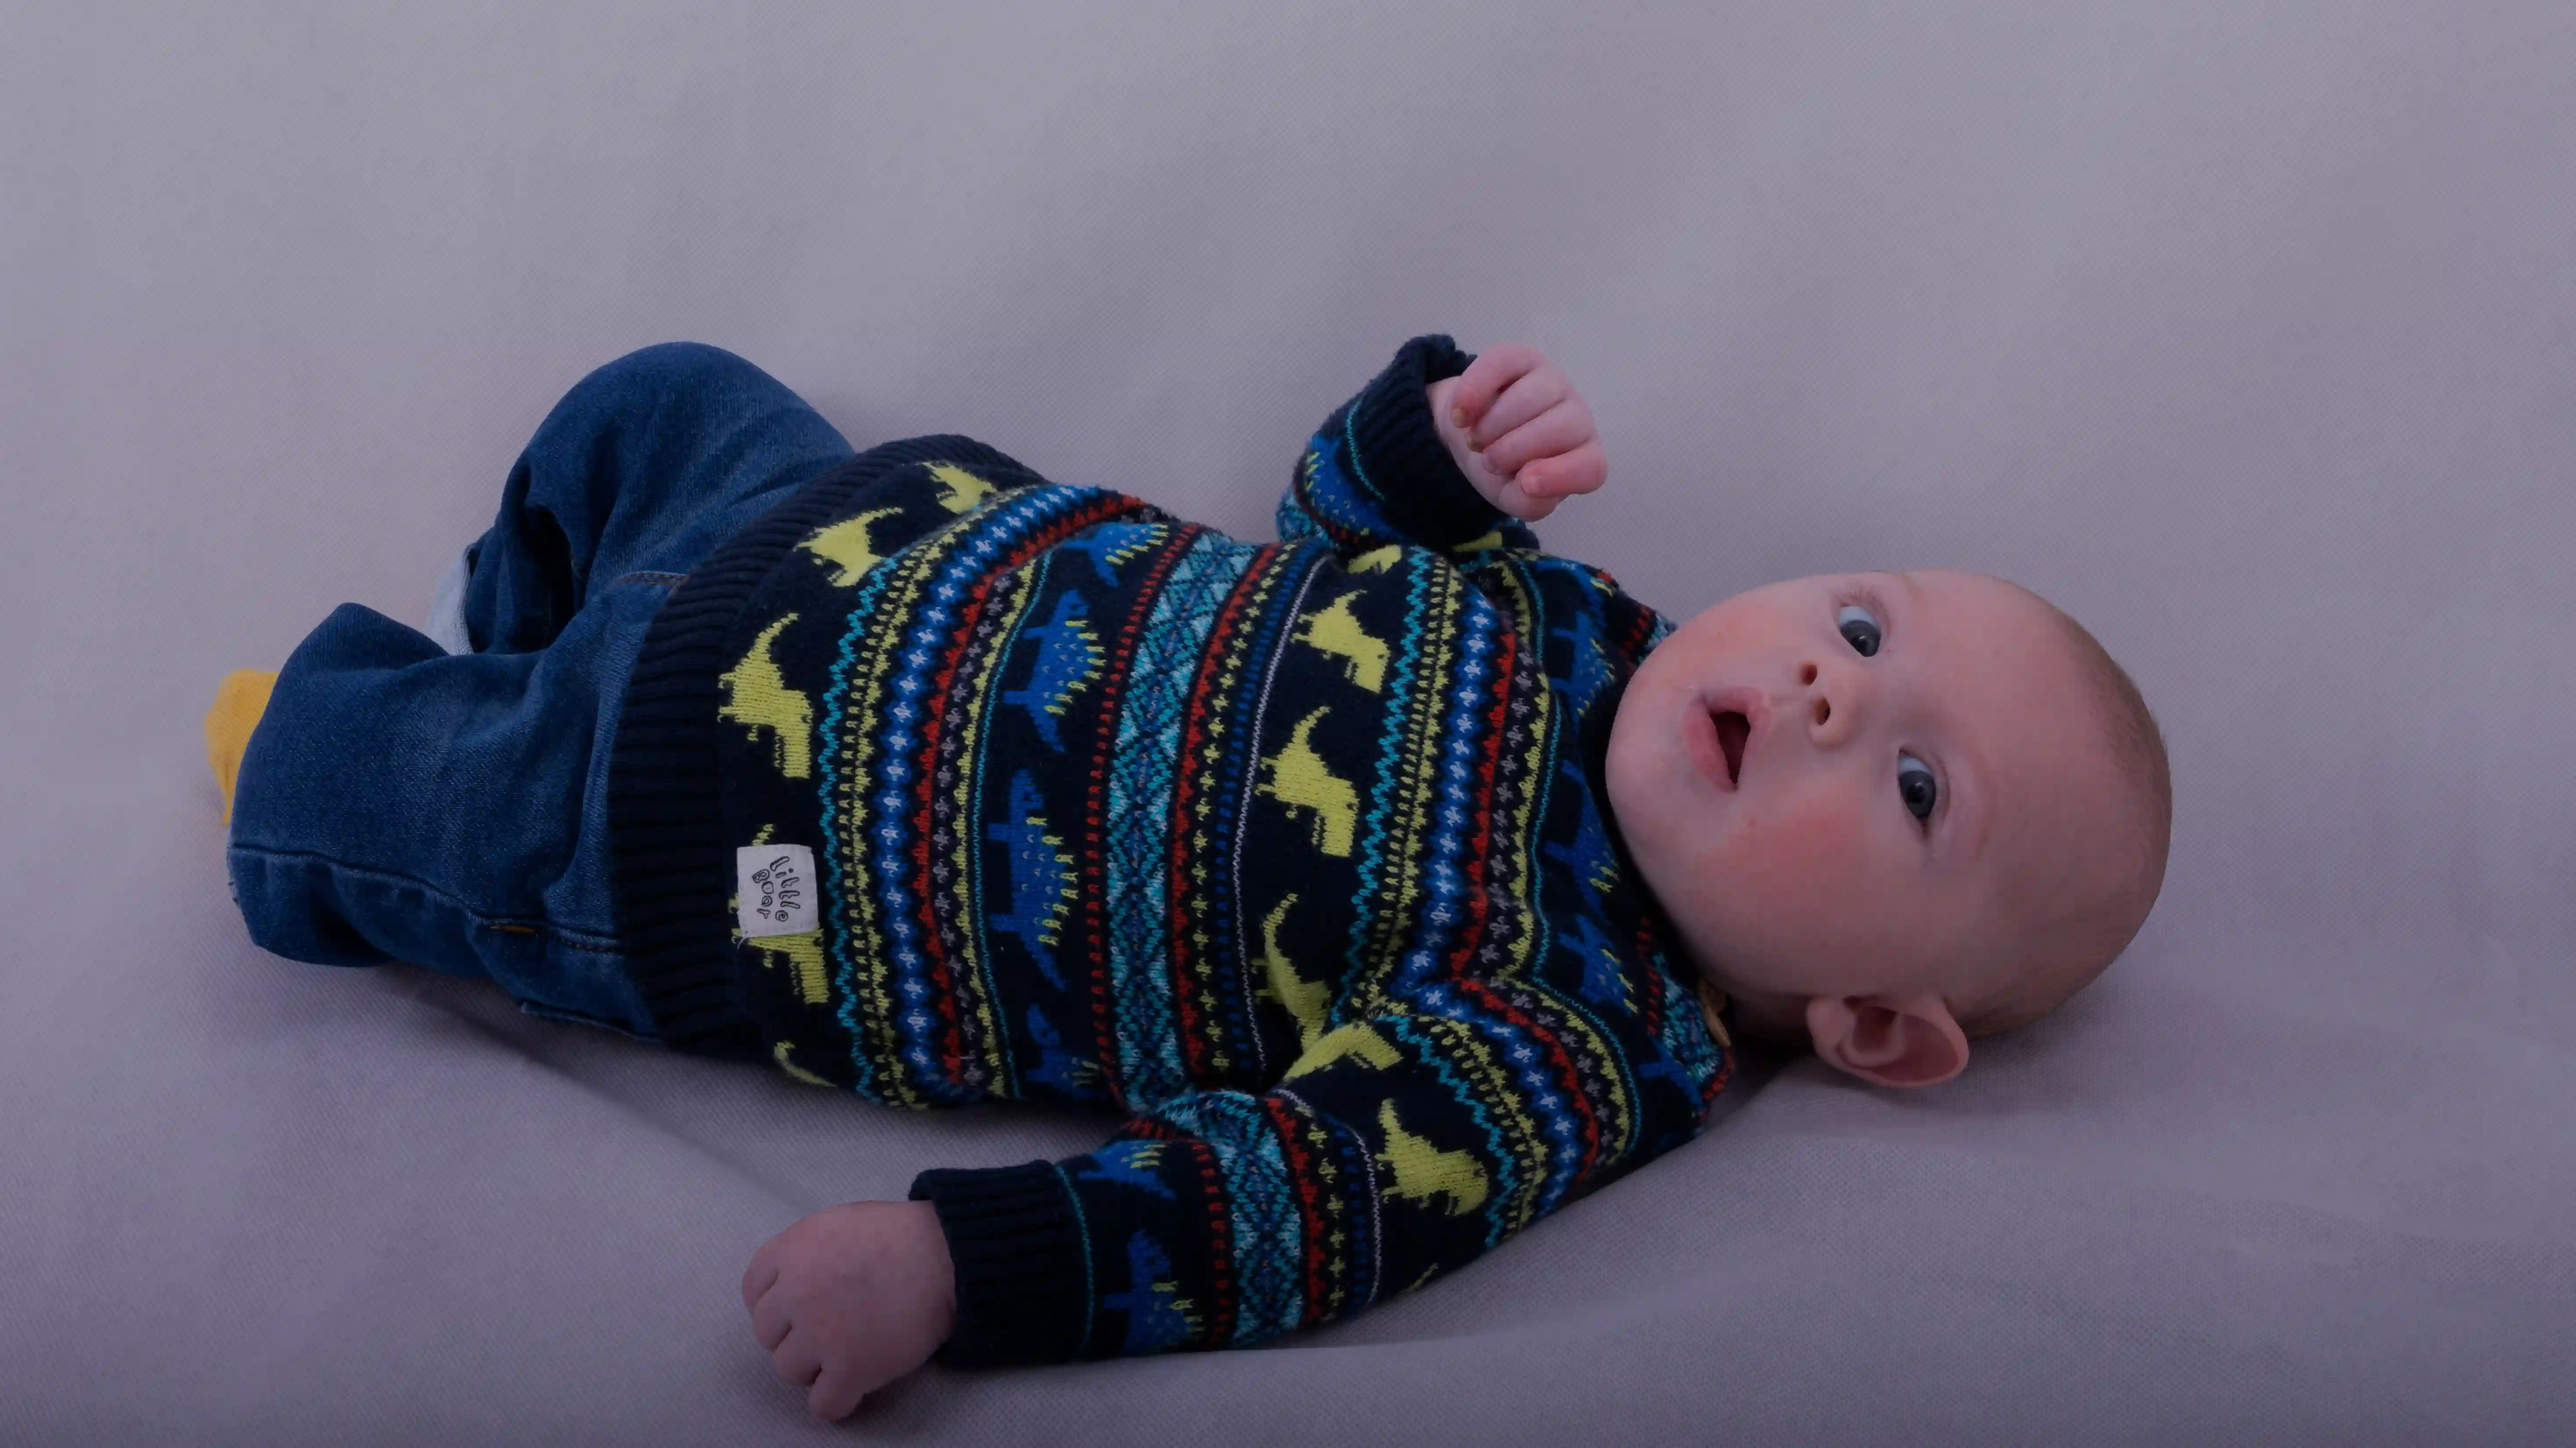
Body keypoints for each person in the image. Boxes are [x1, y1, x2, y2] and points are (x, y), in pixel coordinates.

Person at [204, 335, 2170, 1423]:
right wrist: (1430, 458)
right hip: (863, 522)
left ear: (1877, 1026)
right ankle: (528, 627)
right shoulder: (1590, 626)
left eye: (1918, 782)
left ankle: (354, 751)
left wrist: (964, 1268)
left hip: (727, 832)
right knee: (653, 394)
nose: (1831, 685)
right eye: (1861, 617)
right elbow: (1321, 544)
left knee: (394, 788)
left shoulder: (1564, 1038)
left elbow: (1275, 1206)